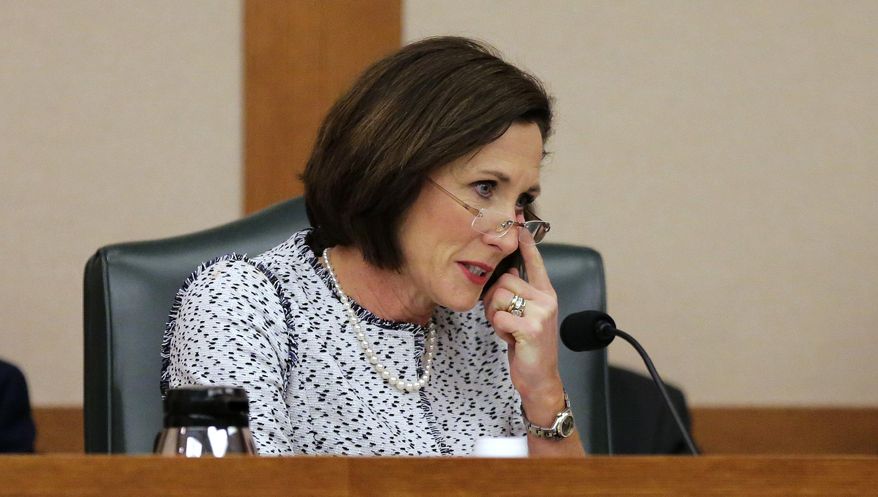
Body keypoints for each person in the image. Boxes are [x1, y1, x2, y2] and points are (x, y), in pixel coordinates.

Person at [162, 36, 584, 457]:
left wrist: (544, 392)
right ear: (394, 173)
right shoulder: (244, 304)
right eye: (484, 187)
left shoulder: (490, 323)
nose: (508, 236)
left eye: (522, 201)